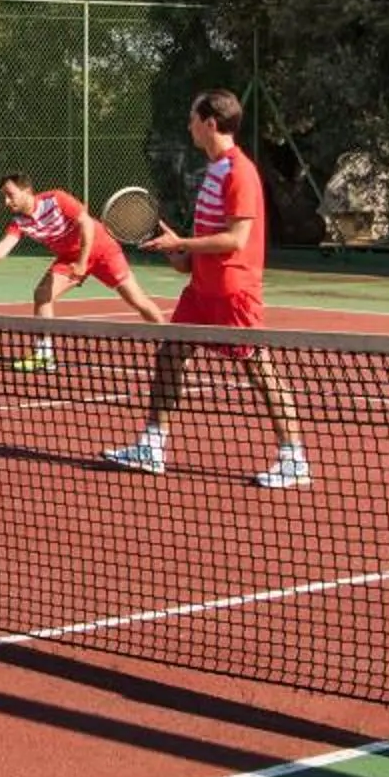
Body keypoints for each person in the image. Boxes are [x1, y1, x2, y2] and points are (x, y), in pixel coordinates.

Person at [104, 88, 311, 489]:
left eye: (192, 119)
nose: (188, 125)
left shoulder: (239, 171)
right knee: (170, 356)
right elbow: (201, 249)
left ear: (210, 123)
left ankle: (293, 458)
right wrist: (178, 251)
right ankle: (152, 444)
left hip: (235, 292)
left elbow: (236, 239)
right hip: (202, 290)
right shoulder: (214, 171)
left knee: (260, 369)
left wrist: (181, 243)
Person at [0, 173, 167, 369]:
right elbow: (4, 247)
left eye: (10, 194)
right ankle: (44, 355)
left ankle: (171, 346)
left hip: (102, 250)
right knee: (42, 295)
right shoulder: (19, 222)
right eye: (4, 196)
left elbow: (87, 224)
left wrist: (82, 262)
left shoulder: (56, 199)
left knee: (137, 301)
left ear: (27, 191)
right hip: (69, 258)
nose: (6, 201)